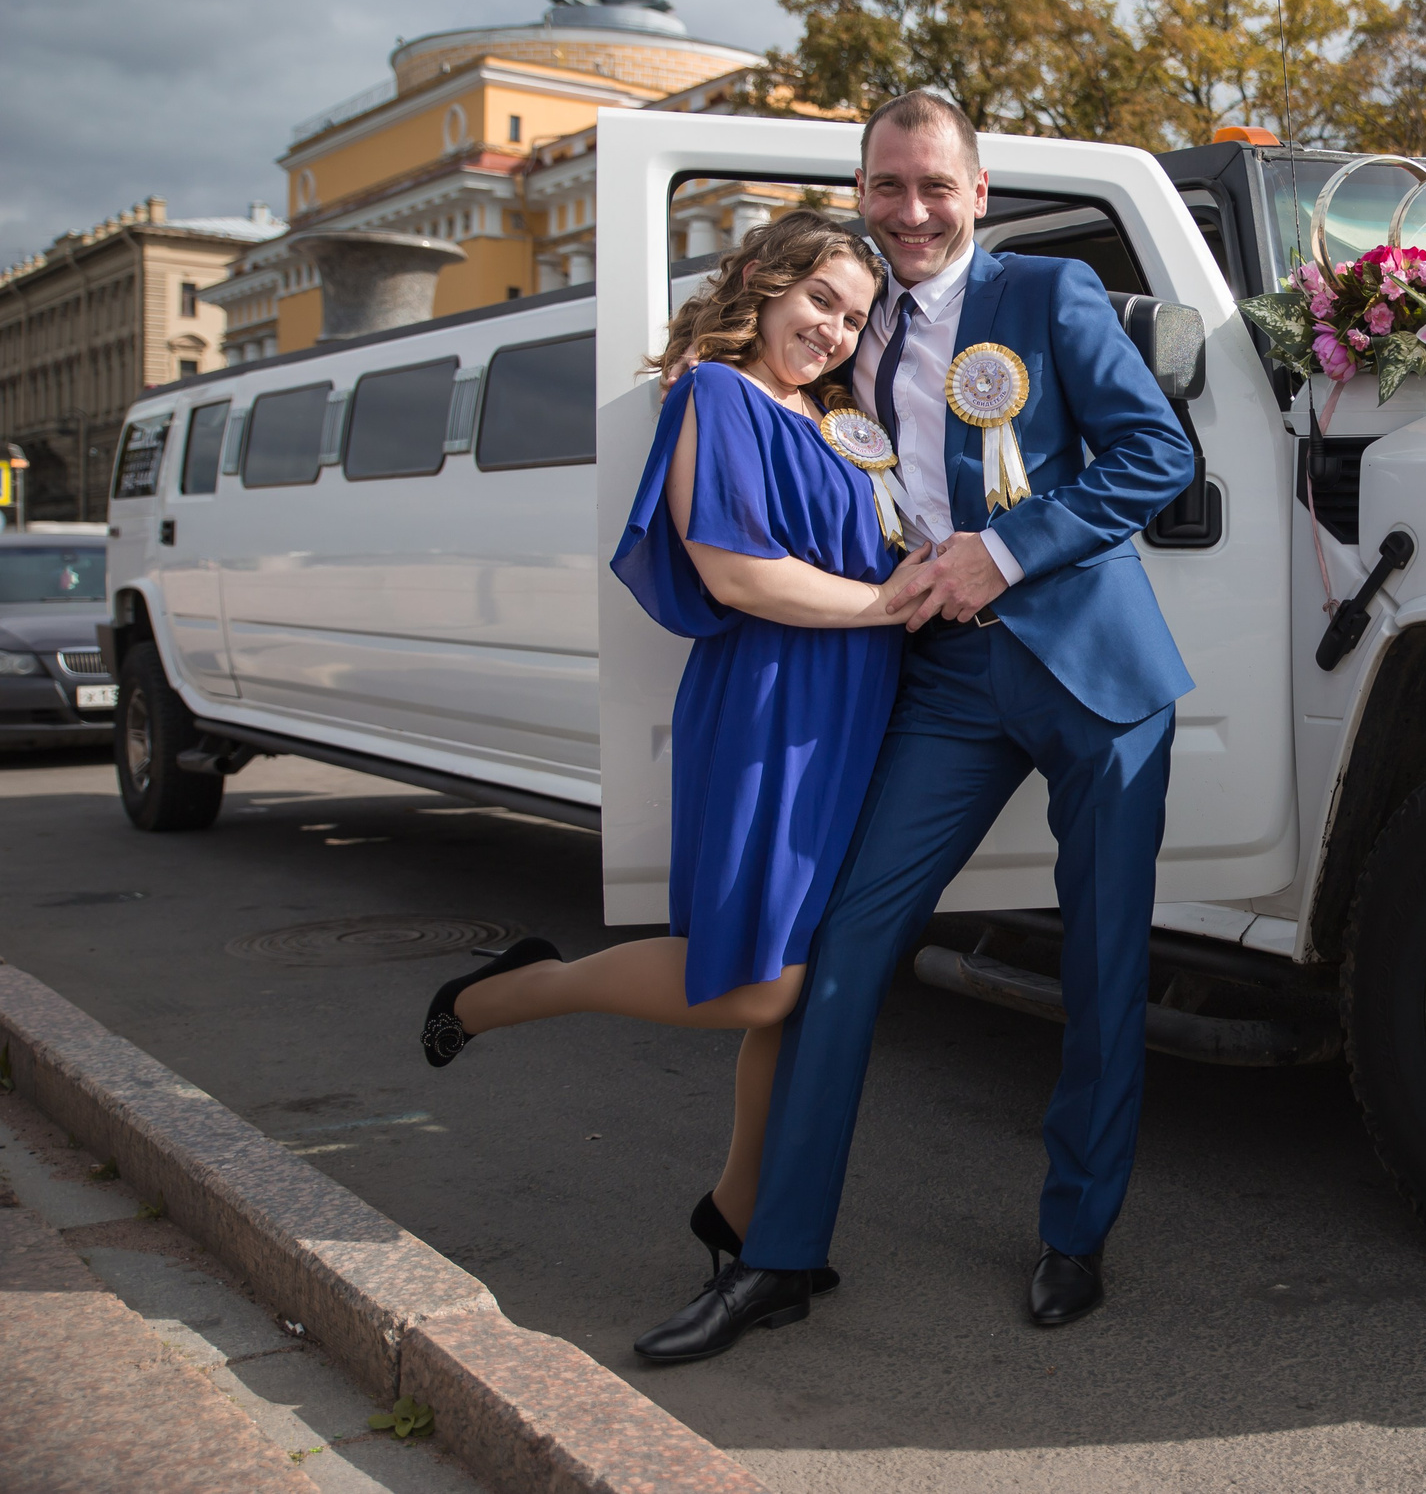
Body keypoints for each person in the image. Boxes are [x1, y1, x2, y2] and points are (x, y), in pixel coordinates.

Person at [632, 90, 1196, 1363]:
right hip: (940, 680)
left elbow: (1156, 456)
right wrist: (696, 365)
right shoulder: (846, 319)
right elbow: (755, 402)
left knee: (1103, 969)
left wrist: (1003, 549)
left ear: (978, 192)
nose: (912, 212)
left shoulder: (1048, 297)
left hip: (1095, 677)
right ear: (862, 189)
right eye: (887, 187)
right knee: (843, 951)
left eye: (935, 186)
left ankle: (1075, 1230)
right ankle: (779, 1255)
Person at [418, 211, 922, 1302]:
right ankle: (514, 991)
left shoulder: (833, 414)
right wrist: (891, 602)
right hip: (772, 704)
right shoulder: (717, 395)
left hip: (855, 706)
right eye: (819, 302)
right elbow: (736, 571)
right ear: (761, 281)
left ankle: (741, 1211)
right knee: (755, 984)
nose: (835, 331)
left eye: (854, 316)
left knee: (806, 985)